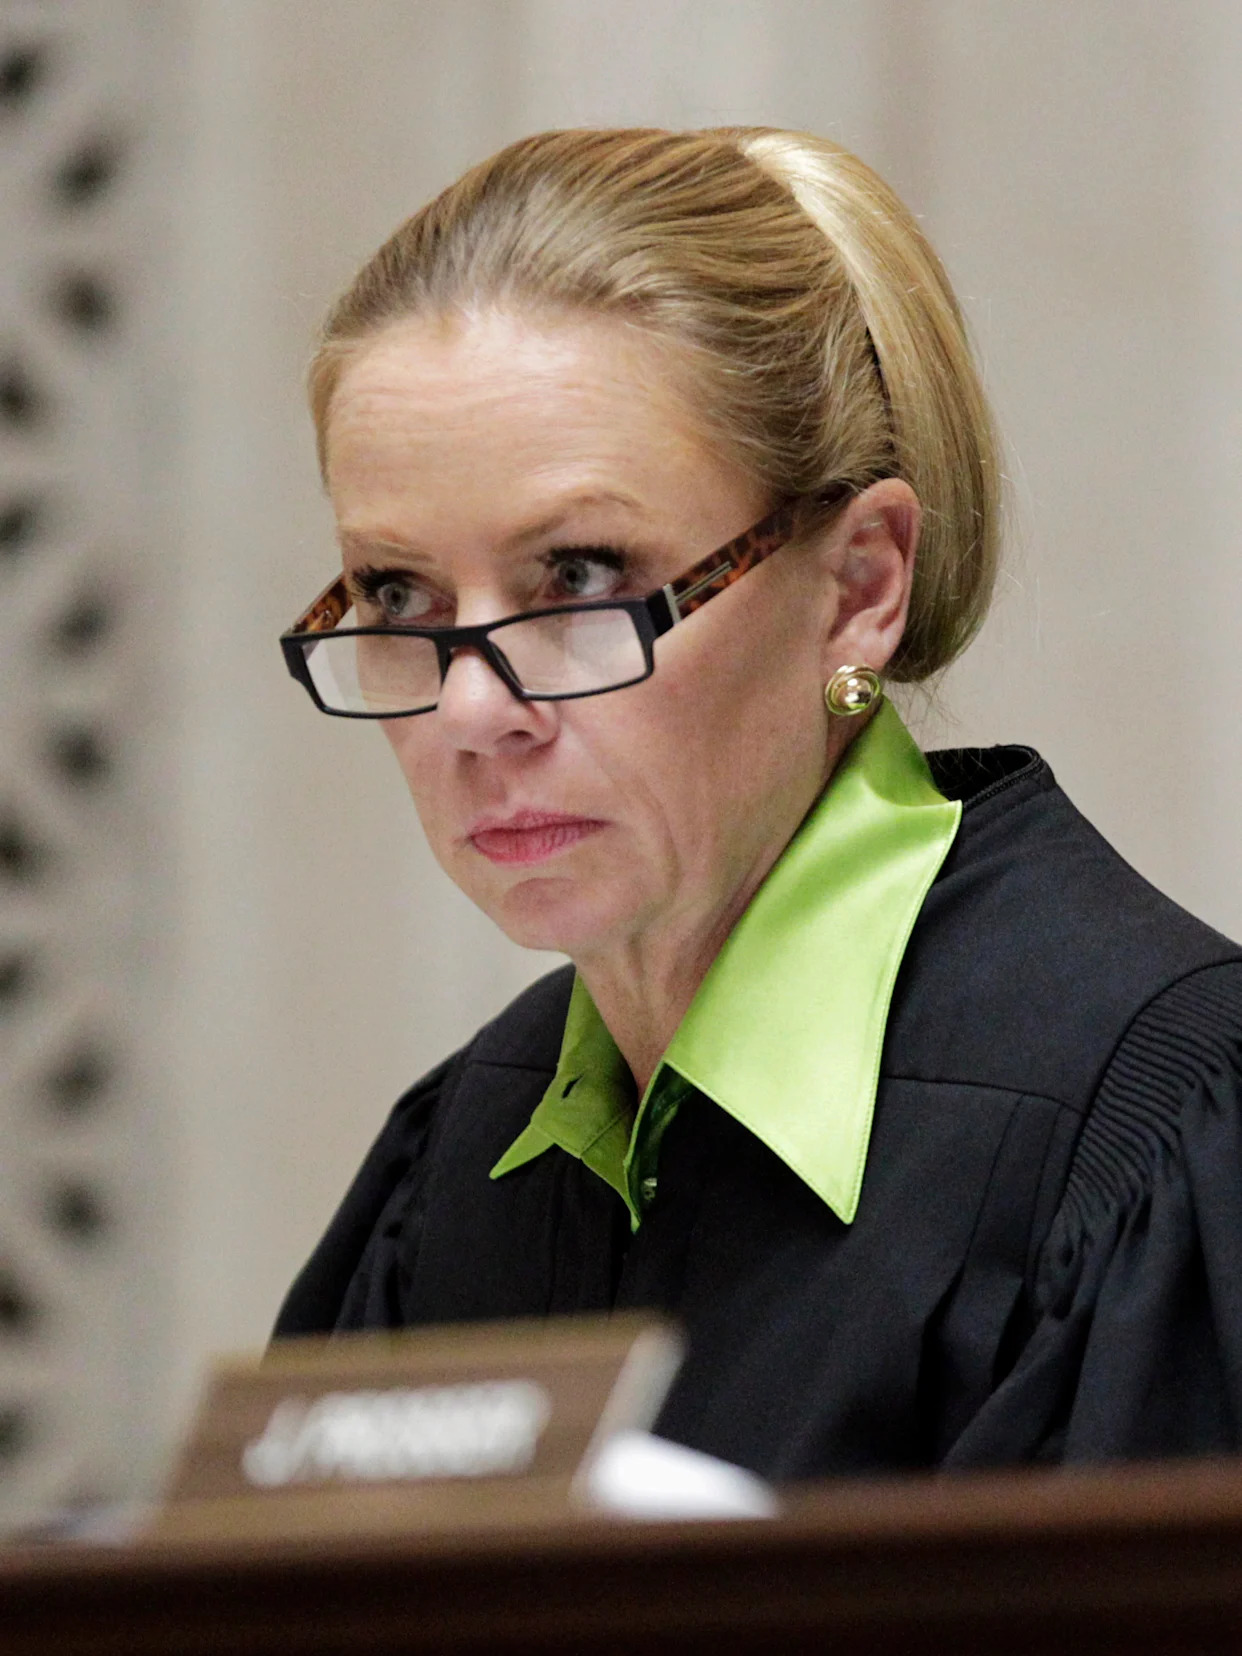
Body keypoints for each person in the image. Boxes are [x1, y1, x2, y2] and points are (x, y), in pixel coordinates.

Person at [273, 127, 1242, 1478]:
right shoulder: (460, 1159)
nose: (471, 711)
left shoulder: (1157, 1137)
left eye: (578, 577)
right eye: (396, 592)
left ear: (858, 586)